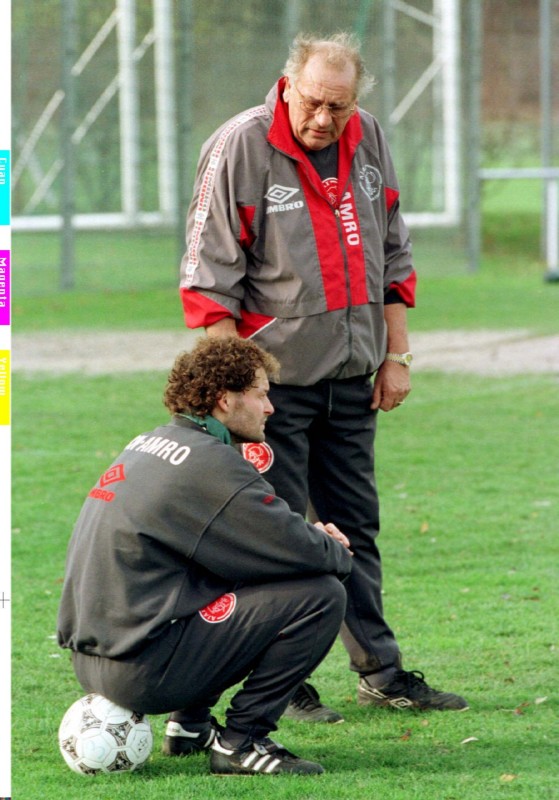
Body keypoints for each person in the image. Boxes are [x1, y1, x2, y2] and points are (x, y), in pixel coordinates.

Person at [179, 32, 468, 720]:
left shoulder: (367, 137)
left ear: (354, 102)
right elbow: (208, 282)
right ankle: (280, 681)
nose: (323, 118)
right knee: (275, 536)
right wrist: (241, 391)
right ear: (288, 86)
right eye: (312, 102)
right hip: (271, 392)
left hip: (352, 377)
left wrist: (395, 355)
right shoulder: (239, 145)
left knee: (355, 528)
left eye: (338, 107)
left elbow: (393, 253)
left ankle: (380, 671)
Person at [57, 336, 353, 775]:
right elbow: (305, 550)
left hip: (94, 662)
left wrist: (303, 543)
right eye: (260, 394)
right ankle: (242, 742)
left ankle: (190, 727)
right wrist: (335, 548)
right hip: (143, 672)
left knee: (238, 566)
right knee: (321, 596)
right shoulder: (212, 464)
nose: (270, 408)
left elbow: (265, 545)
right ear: (225, 400)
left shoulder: (150, 442)